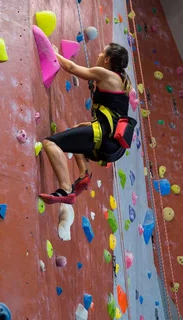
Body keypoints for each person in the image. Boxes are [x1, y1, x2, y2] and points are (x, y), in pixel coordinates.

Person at [39, 43, 132, 205]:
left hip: (105, 137)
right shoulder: (123, 82)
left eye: (102, 53)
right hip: (114, 145)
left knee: (50, 143)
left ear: (108, 59)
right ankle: (84, 174)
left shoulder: (105, 74)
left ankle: (65, 190)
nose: (99, 55)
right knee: (79, 129)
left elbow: (71, 67)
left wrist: (54, 53)